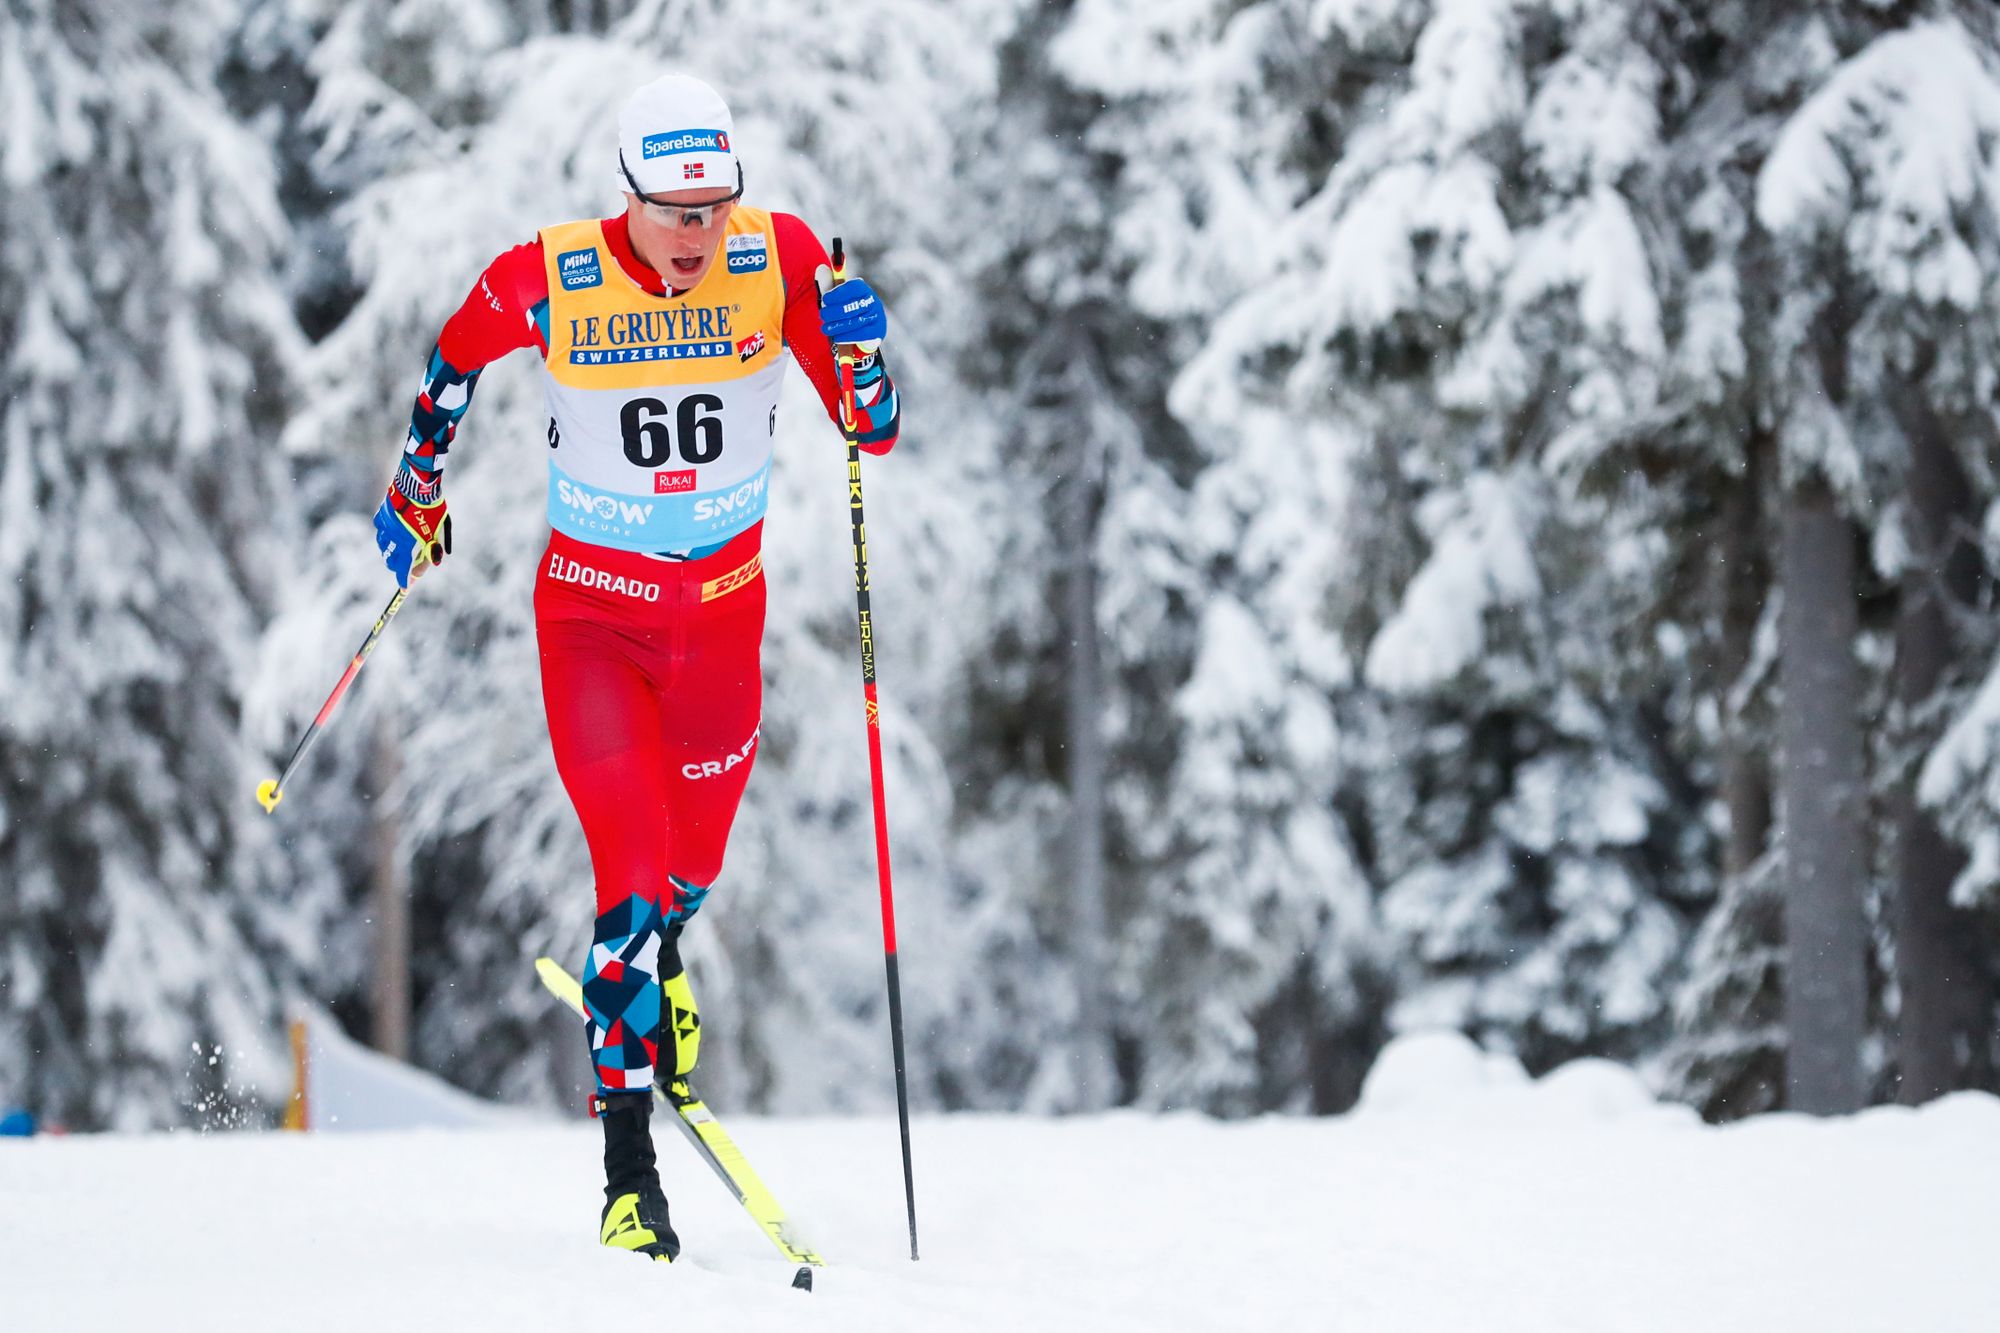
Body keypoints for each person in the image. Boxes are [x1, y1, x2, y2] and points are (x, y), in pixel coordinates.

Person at [372, 73, 900, 1263]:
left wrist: (863, 354)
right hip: (593, 623)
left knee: (688, 875)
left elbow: (869, 430)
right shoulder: (551, 275)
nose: (696, 233)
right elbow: (452, 357)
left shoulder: (778, 260)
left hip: (720, 624)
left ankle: (662, 956)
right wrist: (416, 484)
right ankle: (628, 1180)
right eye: (673, 211)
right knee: (630, 881)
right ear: (628, 193)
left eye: (714, 207)